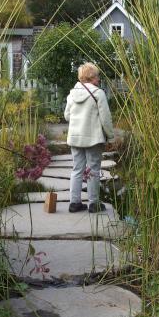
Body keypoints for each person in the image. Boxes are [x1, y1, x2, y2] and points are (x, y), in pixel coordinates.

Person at [64, 62, 114, 213]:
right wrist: (110, 136)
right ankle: (94, 203)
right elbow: (105, 118)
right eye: (97, 76)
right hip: (93, 138)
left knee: (77, 169)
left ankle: (74, 203)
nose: (98, 79)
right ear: (91, 77)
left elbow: (67, 116)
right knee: (93, 169)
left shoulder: (72, 94)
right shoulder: (98, 93)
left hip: (75, 138)